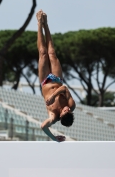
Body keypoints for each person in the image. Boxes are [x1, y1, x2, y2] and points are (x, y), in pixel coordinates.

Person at [36, 10, 76, 142]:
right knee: (52, 53)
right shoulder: (71, 105)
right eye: (68, 110)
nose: (67, 108)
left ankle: (38, 23)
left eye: (65, 111)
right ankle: (46, 24)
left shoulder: (53, 116)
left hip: (45, 81)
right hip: (57, 79)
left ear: (61, 115)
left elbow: (43, 126)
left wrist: (54, 138)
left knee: (43, 53)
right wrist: (53, 96)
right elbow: (64, 88)